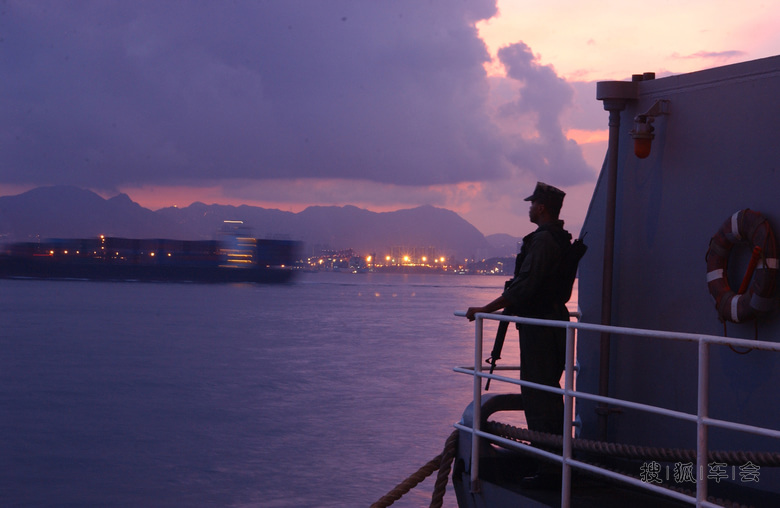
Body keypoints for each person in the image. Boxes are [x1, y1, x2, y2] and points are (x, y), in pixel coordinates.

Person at [465, 182, 572, 437]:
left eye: (533, 204)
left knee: (538, 394)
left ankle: (548, 464)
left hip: (541, 328)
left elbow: (524, 287)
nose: (530, 209)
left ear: (542, 207)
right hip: (549, 324)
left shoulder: (544, 241)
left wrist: (486, 308)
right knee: (545, 391)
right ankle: (554, 458)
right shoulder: (556, 238)